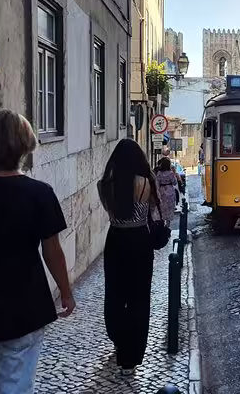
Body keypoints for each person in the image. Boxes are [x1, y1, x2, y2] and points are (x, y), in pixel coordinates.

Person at [0, 109, 75, 393]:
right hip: (23, 305)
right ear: (25, 146)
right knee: (15, 386)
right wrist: (65, 291)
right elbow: (52, 252)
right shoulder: (39, 193)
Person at [98, 139, 161, 375]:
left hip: (115, 239)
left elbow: (109, 209)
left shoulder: (104, 185)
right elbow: (155, 208)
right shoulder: (146, 183)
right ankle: (132, 356)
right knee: (139, 298)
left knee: (114, 295)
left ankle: (118, 339)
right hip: (139, 241)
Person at [154, 157, 178, 222]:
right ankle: (168, 225)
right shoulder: (171, 173)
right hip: (170, 191)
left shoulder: (159, 173)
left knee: (162, 207)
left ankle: (162, 222)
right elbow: (175, 182)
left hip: (161, 191)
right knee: (169, 208)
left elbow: (157, 183)